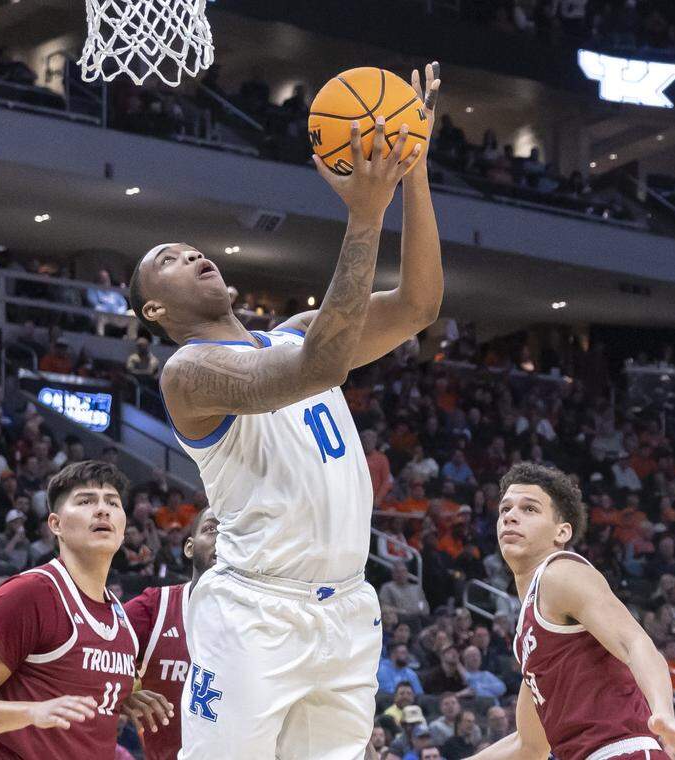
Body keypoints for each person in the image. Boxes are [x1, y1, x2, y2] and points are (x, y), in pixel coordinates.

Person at [127, 65, 443, 760]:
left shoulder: (299, 328)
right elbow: (318, 371)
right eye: (172, 261)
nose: (193, 255)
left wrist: (410, 166)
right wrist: (365, 215)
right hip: (255, 614)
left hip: (347, 611)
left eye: (194, 248)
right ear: (157, 310)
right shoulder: (190, 373)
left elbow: (419, 304)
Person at [464, 462, 675, 760]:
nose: (511, 517)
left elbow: (636, 643)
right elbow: (530, 746)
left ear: (561, 531)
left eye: (529, 509)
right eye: (505, 509)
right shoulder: (528, 629)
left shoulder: (561, 573)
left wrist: (663, 713)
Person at [0, 462, 139, 758]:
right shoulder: (29, 594)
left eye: (112, 502)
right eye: (86, 501)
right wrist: (33, 712)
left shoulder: (119, 615)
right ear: (55, 524)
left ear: (123, 529)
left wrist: (128, 697)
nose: (102, 510)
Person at [121, 509, 219, 760]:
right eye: (212, 529)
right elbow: (91, 649)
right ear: (189, 547)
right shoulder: (156, 607)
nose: (224, 539)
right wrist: (123, 693)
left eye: (233, 532)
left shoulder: (267, 621)